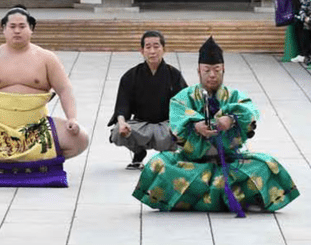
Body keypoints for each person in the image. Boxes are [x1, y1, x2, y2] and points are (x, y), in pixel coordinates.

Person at [133, 37, 300, 214]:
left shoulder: (234, 96)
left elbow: (249, 111)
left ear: (223, 70)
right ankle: (232, 198)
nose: (212, 75)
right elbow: (177, 119)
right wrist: (195, 125)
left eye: (217, 70)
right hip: (192, 163)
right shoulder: (183, 97)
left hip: (229, 161)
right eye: (207, 70)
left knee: (266, 165)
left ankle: (197, 199)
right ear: (199, 71)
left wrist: (232, 118)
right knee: (158, 163)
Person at [0, 6, 89, 186]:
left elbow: (64, 89)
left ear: (31, 29)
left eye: (22, 26)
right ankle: (6, 161)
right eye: (12, 26)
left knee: (80, 138)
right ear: (3, 29)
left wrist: (72, 118)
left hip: (37, 127)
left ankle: (27, 160)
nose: (17, 31)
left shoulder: (47, 58)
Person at [108, 31, 187, 170]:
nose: (152, 51)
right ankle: (138, 152)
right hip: (141, 126)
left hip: (166, 126)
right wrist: (121, 122)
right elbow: (122, 104)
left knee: (184, 131)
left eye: (156, 46)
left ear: (164, 49)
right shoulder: (131, 76)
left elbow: (184, 104)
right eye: (148, 47)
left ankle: (168, 156)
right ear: (142, 51)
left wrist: (179, 126)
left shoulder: (174, 75)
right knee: (116, 133)